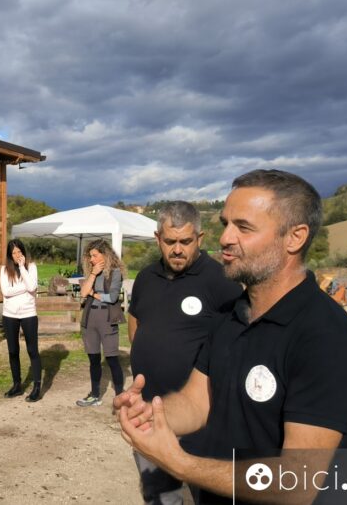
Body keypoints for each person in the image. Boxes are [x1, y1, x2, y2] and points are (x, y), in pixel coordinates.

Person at [116, 170, 347, 505]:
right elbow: (196, 401)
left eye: (244, 227)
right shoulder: (230, 317)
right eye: (226, 224)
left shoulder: (326, 337)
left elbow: (297, 483)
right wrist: (150, 415)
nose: (225, 238)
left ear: (295, 237)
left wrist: (181, 463)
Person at [127, 201, 242, 505]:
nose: (177, 249)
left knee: (209, 496)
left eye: (186, 242)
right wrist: (142, 357)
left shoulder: (221, 281)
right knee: (159, 495)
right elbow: (135, 317)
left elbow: (241, 339)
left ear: (200, 240)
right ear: (158, 239)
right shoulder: (145, 278)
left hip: (200, 421)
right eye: (170, 241)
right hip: (150, 413)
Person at [76, 239, 126, 407]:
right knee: (94, 359)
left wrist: (94, 294)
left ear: (105, 255)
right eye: (90, 256)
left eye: (94, 255)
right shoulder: (92, 272)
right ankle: (95, 395)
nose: (91, 259)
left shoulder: (115, 272)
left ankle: (120, 396)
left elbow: (112, 297)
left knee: (112, 359)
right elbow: (83, 293)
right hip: (90, 319)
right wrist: (92, 275)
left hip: (107, 319)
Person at [0, 239, 43, 402]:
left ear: (23, 252)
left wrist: (23, 269)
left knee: (32, 350)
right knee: (12, 351)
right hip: (9, 315)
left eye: (19, 252)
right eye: (14, 253)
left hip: (28, 314)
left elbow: (32, 287)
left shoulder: (31, 267)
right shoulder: (4, 270)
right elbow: (6, 291)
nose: (17, 255)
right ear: (10, 255)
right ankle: (17, 385)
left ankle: (37, 387)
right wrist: (25, 287)